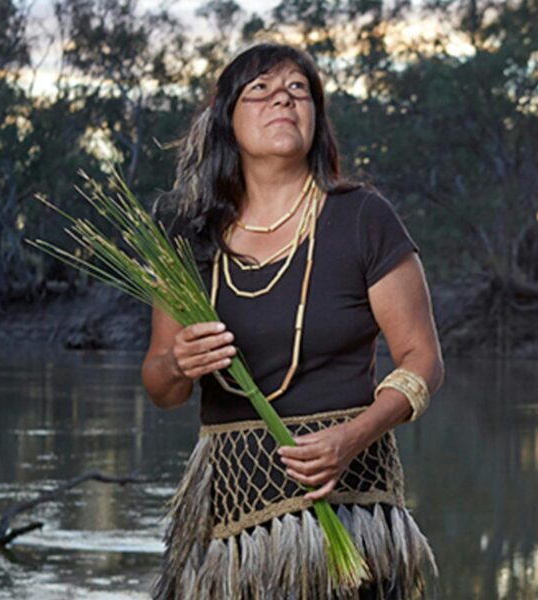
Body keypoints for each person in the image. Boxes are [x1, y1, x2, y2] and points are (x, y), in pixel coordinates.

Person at [141, 42, 444, 599]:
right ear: (225, 120)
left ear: (316, 119)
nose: (283, 98)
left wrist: (353, 437)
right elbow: (162, 388)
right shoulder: (190, 236)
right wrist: (179, 362)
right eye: (260, 90)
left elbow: (423, 360)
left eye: (297, 90)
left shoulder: (362, 217)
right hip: (233, 523)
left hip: (353, 512)